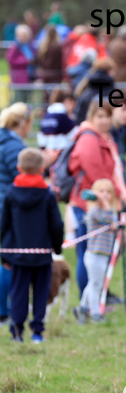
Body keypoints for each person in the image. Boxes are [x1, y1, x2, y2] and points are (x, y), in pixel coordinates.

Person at [0, 148, 64, 343]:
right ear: (42, 169)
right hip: (42, 255)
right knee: (40, 293)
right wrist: (57, 247)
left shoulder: (10, 194)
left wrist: (3, 252)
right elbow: (56, 224)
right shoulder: (48, 195)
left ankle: (17, 332)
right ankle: (37, 332)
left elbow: (4, 223)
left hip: (17, 254)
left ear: (19, 168)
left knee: (18, 292)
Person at [68, 102, 126, 302]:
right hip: (87, 205)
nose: (104, 120)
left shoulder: (105, 138)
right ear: (91, 117)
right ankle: (87, 300)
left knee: (103, 253)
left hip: (103, 203)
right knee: (88, 254)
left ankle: (100, 294)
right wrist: (117, 193)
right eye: (99, 116)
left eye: (107, 116)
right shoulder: (88, 139)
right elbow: (97, 175)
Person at [0, 103, 36, 326]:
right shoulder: (13, 146)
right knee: (8, 260)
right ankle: (4, 311)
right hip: (7, 209)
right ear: (24, 123)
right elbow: (22, 177)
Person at [74, 179, 118, 324]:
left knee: (93, 283)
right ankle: (95, 314)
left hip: (103, 255)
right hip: (94, 255)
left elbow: (112, 219)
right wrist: (104, 202)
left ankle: (82, 308)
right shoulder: (94, 211)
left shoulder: (106, 211)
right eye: (101, 191)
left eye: (108, 192)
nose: (105, 194)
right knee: (96, 285)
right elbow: (109, 218)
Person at [74, 58, 116, 129]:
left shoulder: (85, 92)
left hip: (86, 129)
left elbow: (78, 115)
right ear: (109, 71)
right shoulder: (113, 93)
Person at [7, 25, 34, 102]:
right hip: (18, 77)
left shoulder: (29, 45)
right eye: (21, 35)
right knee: (18, 99)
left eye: (24, 35)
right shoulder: (14, 46)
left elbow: (34, 57)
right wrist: (25, 61)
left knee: (27, 98)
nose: (22, 37)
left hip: (29, 76)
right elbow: (10, 59)